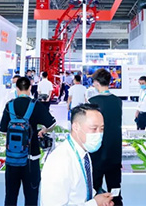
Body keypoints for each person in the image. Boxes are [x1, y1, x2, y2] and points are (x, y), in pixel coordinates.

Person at [40, 104, 114, 206]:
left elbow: (81, 190)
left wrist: (99, 199)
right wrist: (94, 203)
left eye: (102, 129)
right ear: (76, 127)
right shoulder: (59, 162)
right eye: (93, 128)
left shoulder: (84, 154)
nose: (99, 134)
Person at [0, 77, 56, 206]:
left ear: (17, 88)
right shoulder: (36, 105)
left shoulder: (9, 105)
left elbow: (3, 131)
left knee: (10, 196)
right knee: (31, 196)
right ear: (30, 88)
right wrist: (42, 130)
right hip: (31, 157)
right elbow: (52, 123)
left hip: (12, 158)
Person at [89, 69, 123, 205]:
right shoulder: (117, 101)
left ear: (96, 83)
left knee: (93, 191)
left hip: (97, 153)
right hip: (114, 154)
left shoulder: (92, 101)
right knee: (115, 191)